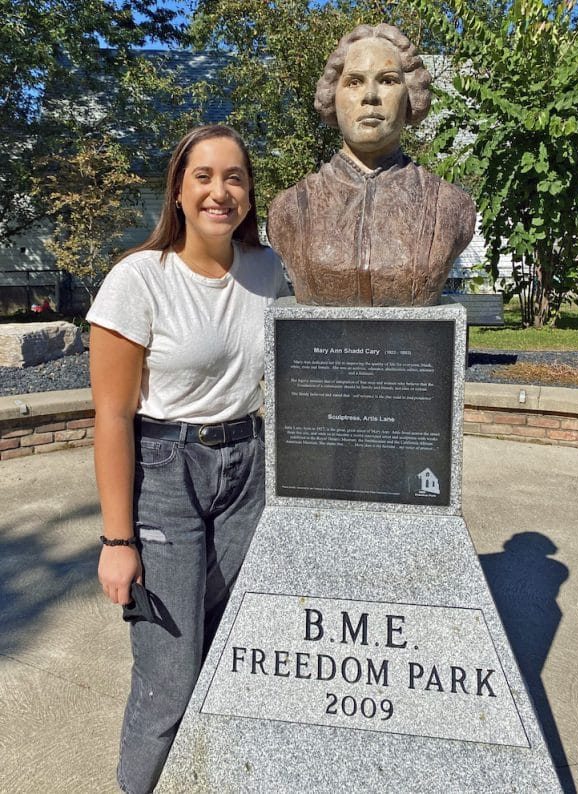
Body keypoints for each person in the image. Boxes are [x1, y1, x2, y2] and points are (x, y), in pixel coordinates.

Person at [87, 124, 289, 794]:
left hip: (248, 469)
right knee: (168, 677)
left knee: (234, 646)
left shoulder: (269, 271)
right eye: (203, 176)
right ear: (178, 190)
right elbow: (112, 417)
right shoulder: (139, 279)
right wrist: (118, 540)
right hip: (165, 472)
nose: (219, 191)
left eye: (235, 176)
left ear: (250, 191)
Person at [267, 23, 476, 307]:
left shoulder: (451, 206)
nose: (370, 96)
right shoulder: (289, 209)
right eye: (354, 82)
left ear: (410, 96)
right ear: (333, 96)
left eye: (388, 80)